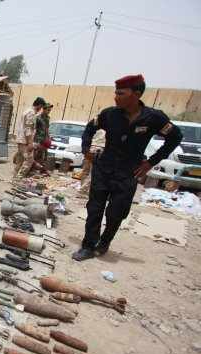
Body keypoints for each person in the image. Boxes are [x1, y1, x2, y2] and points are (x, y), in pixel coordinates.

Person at [72, 74, 182, 261]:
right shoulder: (109, 114)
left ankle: (104, 242)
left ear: (136, 94)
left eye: (121, 93)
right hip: (103, 168)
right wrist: (86, 150)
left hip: (129, 172)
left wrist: (151, 162)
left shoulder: (154, 118)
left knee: (117, 212)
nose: (116, 97)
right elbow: (90, 128)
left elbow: (175, 137)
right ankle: (88, 246)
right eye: (116, 93)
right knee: (95, 209)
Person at [14, 97, 46, 180]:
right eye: (41, 107)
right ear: (39, 105)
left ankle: (15, 178)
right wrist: (30, 143)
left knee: (20, 160)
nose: (41, 109)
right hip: (25, 141)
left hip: (21, 139)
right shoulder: (31, 113)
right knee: (29, 160)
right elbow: (28, 129)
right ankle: (19, 178)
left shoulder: (27, 111)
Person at [78, 128, 106, 197]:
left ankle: (83, 189)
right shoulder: (109, 126)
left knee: (86, 171)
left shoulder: (94, 126)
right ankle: (83, 190)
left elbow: (85, 136)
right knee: (93, 172)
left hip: (90, 148)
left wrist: (85, 149)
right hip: (100, 149)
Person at [33, 103, 53, 171]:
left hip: (44, 140)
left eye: (50, 110)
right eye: (48, 110)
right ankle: (32, 170)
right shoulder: (37, 118)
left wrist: (48, 137)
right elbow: (33, 128)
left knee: (43, 155)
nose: (49, 112)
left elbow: (47, 128)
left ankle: (40, 170)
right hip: (37, 139)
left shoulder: (47, 118)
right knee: (35, 155)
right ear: (43, 109)